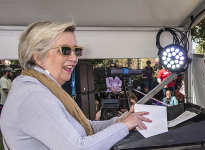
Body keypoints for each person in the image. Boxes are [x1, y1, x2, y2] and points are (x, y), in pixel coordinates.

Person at [0, 21, 151, 150]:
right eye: (65, 50)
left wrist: (124, 120)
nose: (74, 58)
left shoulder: (42, 88)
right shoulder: (34, 96)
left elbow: (87, 128)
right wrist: (124, 125)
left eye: (76, 51)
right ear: (38, 57)